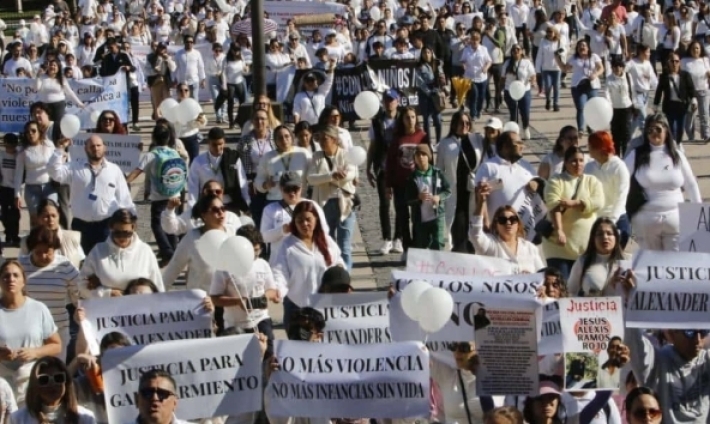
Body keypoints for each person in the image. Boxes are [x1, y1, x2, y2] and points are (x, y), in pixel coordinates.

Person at [48, 134, 135, 255]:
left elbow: (124, 197)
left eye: (99, 145)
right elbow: (54, 173)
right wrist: (59, 150)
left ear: (104, 148)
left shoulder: (114, 170)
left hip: (106, 225)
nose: (95, 148)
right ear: (86, 149)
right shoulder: (75, 167)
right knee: (84, 262)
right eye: (92, 146)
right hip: (81, 226)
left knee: (106, 260)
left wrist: (131, 219)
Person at [625, 113, 701, 251]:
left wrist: (698, 213)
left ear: (666, 130)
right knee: (651, 266)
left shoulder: (677, 155)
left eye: (658, 129)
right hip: (646, 221)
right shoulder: (635, 155)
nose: (654, 133)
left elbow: (691, 184)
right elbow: (621, 180)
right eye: (650, 130)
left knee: (676, 265)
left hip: (675, 220)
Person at [272, 201, 343, 332]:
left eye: (308, 219)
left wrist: (340, 273)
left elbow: (338, 262)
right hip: (298, 308)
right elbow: (279, 273)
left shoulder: (327, 241)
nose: (304, 224)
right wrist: (278, 291)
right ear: (294, 222)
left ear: (316, 219)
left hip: (325, 307)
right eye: (299, 221)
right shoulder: (287, 246)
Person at [210, 225, 279, 358]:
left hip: (261, 319)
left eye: (257, 250)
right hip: (235, 325)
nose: (255, 255)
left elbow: (272, 290)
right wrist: (238, 302)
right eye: (251, 251)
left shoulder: (262, 264)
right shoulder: (224, 268)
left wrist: (265, 297)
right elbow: (215, 297)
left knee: (269, 355)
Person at [0, 260, 61, 405]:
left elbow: (56, 345)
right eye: (6, 276)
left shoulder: (38, 309)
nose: (11, 279)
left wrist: (35, 352)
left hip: (31, 380)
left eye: (16, 275)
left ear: (23, 281)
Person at [126, 125, 187, 266]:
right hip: (175, 193)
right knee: (171, 223)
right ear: (168, 138)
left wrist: (125, 181)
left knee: (156, 224)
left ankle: (167, 252)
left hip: (159, 196)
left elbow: (138, 171)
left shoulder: (151, 154)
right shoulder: (174, 152)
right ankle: (173, 251)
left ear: (153, 138)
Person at [542, 146, 604, 279]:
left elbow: (599, 201)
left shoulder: (591, 181)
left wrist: (576, 203)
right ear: (566, 162)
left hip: (585, 247)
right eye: (574, 161)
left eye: (581, 160)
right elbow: (554, 206)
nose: (578, 164)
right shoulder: (556, 180)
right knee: (562, 287)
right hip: (558, 246)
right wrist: (559, 230)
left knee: (583, 291)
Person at [20, 226, 80, 362]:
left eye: (47, 252)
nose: (43, 256)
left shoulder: (64, 266)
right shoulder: (21, 266)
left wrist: (80, 309)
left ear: (55, 249)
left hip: (58, 330)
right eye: (38, 252)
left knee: (56, 373)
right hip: (29, 330)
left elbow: (79, 292)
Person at [79, 209, 164, 297]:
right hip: (109, 307)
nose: (122, 237)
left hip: (140, 308)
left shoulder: (145, 251)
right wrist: (107, 293)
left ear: (133, 228)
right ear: (111, 228)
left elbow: (158, 285)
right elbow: (81, 285)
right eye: (117, 233)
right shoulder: (98, 251)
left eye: (127, 233)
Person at [308, 125, 358, 270]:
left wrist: (333, 178)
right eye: (320, 139)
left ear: (335, 140)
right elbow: (311, 178)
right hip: (324, 204)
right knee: (326, 242)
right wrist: (331, 176)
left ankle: (345, 277)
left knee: (344, 244)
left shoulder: (346, 155)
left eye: (325, 139)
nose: (322, 142)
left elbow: (351, 174)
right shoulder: (317, 156)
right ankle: (329, 274)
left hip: (345, 203)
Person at [436, 112, 484, 253]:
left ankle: (472, 253)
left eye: (467, 123)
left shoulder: (477, 139)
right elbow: (439, 169)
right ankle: (459, 254)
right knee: (457, 226)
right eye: (461, 123)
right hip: (454, 192)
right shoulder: (445, 144)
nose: (464, 126)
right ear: (454, 124)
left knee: (473, 225)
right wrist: (438, 192)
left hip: (473, 191)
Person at [163, 194, 229, 293]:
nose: (221, 213)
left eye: (223, 208)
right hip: (201, 301)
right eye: (215, 210)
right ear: (204, 215)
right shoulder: (192, 238)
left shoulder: (233, 233)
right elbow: (175, 266)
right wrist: (157, 293)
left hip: (229, 300)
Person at [385, 107, 428, 258]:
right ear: (402, 120)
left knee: (417, 217)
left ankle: (416, 248)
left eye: (413, 117)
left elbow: (429, 160)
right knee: (402, 217)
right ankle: (407, 247)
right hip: (400, 184)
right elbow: (390, 162)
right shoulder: (397, 139)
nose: (410, 121)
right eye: (407, 118)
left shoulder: (422, 136)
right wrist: (388, 185)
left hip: (418, 184)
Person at [471, 187, 545, 273]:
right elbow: (475, 233)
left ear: (518, 224)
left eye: (513, 219)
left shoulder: (530, 248)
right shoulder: (491, 245)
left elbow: (542, 274)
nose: (508, 223)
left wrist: (530, 277)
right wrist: (480, 203)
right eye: (503, 220)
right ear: (496, 224)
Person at [260, 172, 328, 266]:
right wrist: (282, 230)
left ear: (301, 187)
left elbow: (325, 232)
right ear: (281, 189)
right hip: (281, 263)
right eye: (287, 189)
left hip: (307, 261)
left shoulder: (312, 206)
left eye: (295, 189)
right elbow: (264, 237)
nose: (292, 193)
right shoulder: (270, 209)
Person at [475, 131, 538, 229]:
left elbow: (541, 187)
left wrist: (536, 184)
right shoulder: (488, 167)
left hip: (524, 229)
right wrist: (485, 221)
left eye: (522, 143)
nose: (522, 147)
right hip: (498, 228)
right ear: (505, 146)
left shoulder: (526, 166)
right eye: (518, 143)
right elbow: (480, 197)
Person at [366, 89, 402, 255]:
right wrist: (368, 167)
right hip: (382, 166)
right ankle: (387, 238)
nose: (389, 103)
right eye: (387, 100)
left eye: (392, 100)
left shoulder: (404, 119)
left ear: (398, 101)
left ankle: (399, 238)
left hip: (401, 166)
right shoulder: (376, 121)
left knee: (400, 204)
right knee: (384, 204)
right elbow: (373, 145)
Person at [431, 341, 502, 422]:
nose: (457, 352)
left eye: (463, 348)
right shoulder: (447, 376)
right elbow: (421, 354)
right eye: (453, 347)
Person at [11, 356, 96, 424]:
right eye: (44, 380)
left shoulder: (85, 417)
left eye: (58, 378)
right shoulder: (17, 419)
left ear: (66, 382)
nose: (52, 384)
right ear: (35, 385)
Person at [71, 332, 131, 424]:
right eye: (110, 355)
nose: (116, 360)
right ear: (100, 358)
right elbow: (59, 385)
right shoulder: (86, 383)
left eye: (121, 355)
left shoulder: (139, 382)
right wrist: (77, 360)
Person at [188, 127, 250, 215]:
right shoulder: (198, 162)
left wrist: (247, 203)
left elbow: (242, 182)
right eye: (214, 144)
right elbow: (192, 187)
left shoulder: (233, 158)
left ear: (224, 142)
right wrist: (192, 208)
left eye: (220, 144)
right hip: (207, 205)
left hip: (230, 205)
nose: (218, 148)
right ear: (208, 143)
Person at [584, 131, 630, 248]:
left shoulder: (619, 167)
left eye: (590, 146)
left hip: (617, 219)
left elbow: (621, 196)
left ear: (599, 148)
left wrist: (611, 222)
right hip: (595, 219)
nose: (587, 149)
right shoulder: (589, 167)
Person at [567, 217, 629, 297]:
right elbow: (571, 292)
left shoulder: (627, 261)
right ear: (593, 239)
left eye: (609, 233)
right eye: (600, 234)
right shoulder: (583, 261)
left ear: (616, 238)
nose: (605, 237)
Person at [404, 144, 450, 250]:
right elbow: (408, 199)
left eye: (423, 154)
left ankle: (438, 264)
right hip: (420, 218)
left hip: (437, 215)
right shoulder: (412, 178)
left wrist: (439, 197)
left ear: (428, 156)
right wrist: (418, 198)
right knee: (422, 244)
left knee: (438, 242)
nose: (420, 157)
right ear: (414, 158)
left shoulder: (437, 173)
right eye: (418, 155)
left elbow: (448, 190)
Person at [555, 40, 604, 133]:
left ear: (588, 48)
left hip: (592, 85)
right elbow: (565, 69)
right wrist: (557, 59)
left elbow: (601, 68)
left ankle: (591, 126)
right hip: (578, 86)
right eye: (580, 46)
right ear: (577, 49)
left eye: (584, 45)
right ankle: (581, 129)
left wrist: (595, 74)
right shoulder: (574, 58)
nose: (582, 47)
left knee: (592, 107)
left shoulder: (594, 57)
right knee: (581, 107)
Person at [15, 121, 58, 226]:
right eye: (27, 132)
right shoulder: (23, 151)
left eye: (33, 131)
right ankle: (36, 242)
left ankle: (52, 241)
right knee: (35, 220)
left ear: (39, 132)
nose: (30, 133)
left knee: (51, 215)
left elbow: (58, 162)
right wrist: (17, 194)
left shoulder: (49, 145)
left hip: (49, 187)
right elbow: (18, 173)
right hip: (31, 189)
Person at [238, 109, 275, 229]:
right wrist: (249, 182)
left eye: (263, 119)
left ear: (268, 121)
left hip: (272, 179)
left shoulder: (276, 137)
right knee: (258, 215)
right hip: (253, 182)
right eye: (257, 119)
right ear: (252, 121)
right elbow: (242, 165)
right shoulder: (245, 140)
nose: (260, 121)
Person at [20, 199, 84, 269]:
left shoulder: (73, 238)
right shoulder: (27, 241)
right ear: (38, 218)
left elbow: (82, 262)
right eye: (46, 217)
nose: (51, 219)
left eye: (54, 216)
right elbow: (21, 266)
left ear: (59, 216)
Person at [162, 180, 242, 236]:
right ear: (203, 193)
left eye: (218, 192)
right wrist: (170, 209)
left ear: (222, 193)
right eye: (210, 192)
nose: (214, 194)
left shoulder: (232, 218)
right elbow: (171, 228)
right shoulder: (191, 215)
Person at [255, 126, 310, 204]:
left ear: (292, 137)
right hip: (276, 200)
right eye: (280, 138)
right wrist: (265, 185)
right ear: (275, 141)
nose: (284, 140)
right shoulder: (267, 157)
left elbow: (312, 176)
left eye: (287, 136)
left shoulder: (303, 153)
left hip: (299, 199)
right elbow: (258, 181)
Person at [654, 51, 696, 144]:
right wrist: (656, 104)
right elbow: (659, 91)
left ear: (679, 62)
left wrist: (693, 100)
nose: (674, 63)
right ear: (668, 62)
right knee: (672, 128)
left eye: (676, 61)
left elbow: (691, 89)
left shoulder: (685, 75)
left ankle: (679, 143)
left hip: (682, 106)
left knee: (680, 129)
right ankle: (673, 145)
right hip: (669, 106)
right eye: (672, 61)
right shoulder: (664, 76)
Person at [35, 59, 85, 124]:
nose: (52, 67)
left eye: (54, 65)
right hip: (45, 106)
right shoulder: (42, 77)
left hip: (58, 106)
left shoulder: (62, 78)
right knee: (45, 124)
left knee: (58, 125)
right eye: (50, 65)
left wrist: (79, 103)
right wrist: (38, 76)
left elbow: (69, 92)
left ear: (58, 68)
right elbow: (36, 88)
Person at [503, 44, 537, 140]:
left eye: (518, 49)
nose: (516, 51)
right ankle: (514, 132)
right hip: (510, 90)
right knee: (513, 112)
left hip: (524, 90)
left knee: (525, 112)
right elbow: (502, 77)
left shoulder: (526, 63)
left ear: (522, 51)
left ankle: (525, 127)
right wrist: (500, 90)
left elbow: (533, 74)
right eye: (514, 50)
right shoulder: (507, 63)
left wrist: (533, 82)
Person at [145, 43, 177, 120]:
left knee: (167, 100)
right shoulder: (151, 57)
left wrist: (168, 60)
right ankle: (158, 119)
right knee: (157, 102)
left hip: (165, 81)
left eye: (163, 48)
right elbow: (147, 70)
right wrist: (155, 71)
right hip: (155, 81)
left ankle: (167, 118)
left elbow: (173, 68)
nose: (162, 50)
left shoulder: (168, 57)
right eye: (160, 48)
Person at [0, 133, 20, 247]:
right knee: (5, 214)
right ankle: (8, 233)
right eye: (8, 144)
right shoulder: (1, 155)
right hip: (3, 188)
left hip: (15, 189)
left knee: (16, 214)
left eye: (13, 144)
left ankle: (15, 236)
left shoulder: (18, 156)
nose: (11, 147)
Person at [174, 34, 206, 100]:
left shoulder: (197, 53)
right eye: (187, 42)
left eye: (191, 42)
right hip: (183, 83)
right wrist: (175, 78)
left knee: (194, 101)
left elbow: (201, 67)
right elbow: (175, 67)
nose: (189, 43)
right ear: (184, 42)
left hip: (194, 81)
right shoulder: (179, 53)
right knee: (183, 101)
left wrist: (203, 79)